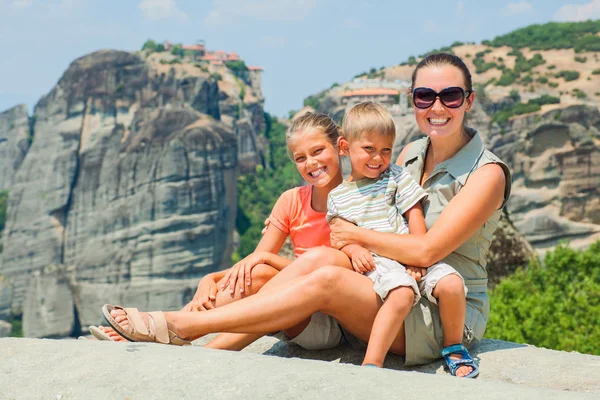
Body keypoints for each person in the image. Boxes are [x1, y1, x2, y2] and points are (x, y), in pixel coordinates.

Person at [101, 53, 510, 378]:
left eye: (450, 96)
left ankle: (179, 327)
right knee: (304, 263)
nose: (437, 107)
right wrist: (344, 240)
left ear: (468, 101)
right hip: (388, 283)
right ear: (413, 100)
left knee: (327, 276)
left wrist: (350, 234)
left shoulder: (486, 174)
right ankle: (192, 334)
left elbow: (425, 250)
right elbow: (370, 226)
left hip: (438, 310)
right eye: (426, 97)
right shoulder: (408, 154)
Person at [94, 112, 355, 347]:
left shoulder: (361, 200)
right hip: (294, 310)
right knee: (257, 272)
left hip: (332, 314)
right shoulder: (291, 200)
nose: (311, 163)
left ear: (340, 146)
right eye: (300, 157)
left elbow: (336, 275)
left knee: (267, 270)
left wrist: (267, 260)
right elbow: (250, 268)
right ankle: (177, 334)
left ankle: (166, 328)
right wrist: (212, 279)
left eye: (318, 151)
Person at [329, 101, 468, 370]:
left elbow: (414, 214)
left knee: (451, 283)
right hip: (379, 263)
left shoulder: (396, 176)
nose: (377, 158)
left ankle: (454, 347)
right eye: (368, 149)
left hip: (410, 252)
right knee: (402, 293)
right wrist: (355, 251)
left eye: (385, 150)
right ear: (345, 147)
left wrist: (417, 257)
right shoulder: (338, 197)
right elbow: (342, 238)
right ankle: (373, 362)